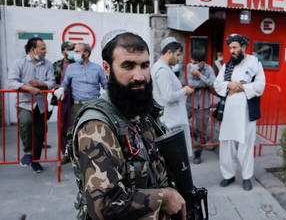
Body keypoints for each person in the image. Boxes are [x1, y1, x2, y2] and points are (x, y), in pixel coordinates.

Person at [71, 31, 186, 219]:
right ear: (106, 68)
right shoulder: (96, 125)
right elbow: (104, 204)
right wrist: (163, 198)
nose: (139, 76)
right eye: (128, 66)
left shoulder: (141, 110)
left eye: (144, 65)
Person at [214, 34, 265, 191]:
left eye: (235, 47)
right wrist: (230, 84)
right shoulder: (227, 65)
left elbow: (261, 85)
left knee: (246, 145)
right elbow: (217, 84)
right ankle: (228, 175)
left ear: (243, 47)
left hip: (246, 113)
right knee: (226, 143)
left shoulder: (254, 63)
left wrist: (242, 87)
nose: (232, 51)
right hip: (229, 112)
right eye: (230, 48)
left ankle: (246, 177)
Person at [7, 37, 55, 174]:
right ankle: (28, 151)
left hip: (41, 105)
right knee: (26, 122)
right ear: (33, 50)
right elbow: (11, 82)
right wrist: (28, 88)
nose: (46, 51)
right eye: (43, 48)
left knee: (39, 134)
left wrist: (41, 84)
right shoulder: (19, 63)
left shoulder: (48, 65)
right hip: (24, 103)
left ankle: (36, 161)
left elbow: (51, 82)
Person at [152, 37, 194, 157]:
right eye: (178, 54)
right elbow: (168, 96)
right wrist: (184, 90)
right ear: (169, 52)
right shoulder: (162, 71)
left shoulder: (162, 68)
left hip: (172, 120)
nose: (179, 58)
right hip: (172, 122)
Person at [53, 43, 107, 119]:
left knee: (92, 128)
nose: (74, 54)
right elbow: (65, 83)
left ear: (86, 53)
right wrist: (61, 89)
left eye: (77, 51)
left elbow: (105, 85)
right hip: (77, 106)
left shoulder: (97, 68)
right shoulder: (71, 67)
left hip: (94, 105)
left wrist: (111, 94)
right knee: (78, 129)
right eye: (74, 51)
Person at [186, 51, 216, 164]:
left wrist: (199, 75)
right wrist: (205, 84)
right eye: (191, 61)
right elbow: (190, 82)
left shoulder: (209, 69)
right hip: (190, 102)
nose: (192, 63)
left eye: (195, 62)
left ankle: (197, 154)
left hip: (204, 104)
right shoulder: (189, 66)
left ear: (201, 62)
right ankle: (187, 143)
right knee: (182, 123)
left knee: (201, 130)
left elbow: (213, 84)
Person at [52, 41, 75, 163]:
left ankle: (77, 153)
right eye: (68, 49)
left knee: (76, 127)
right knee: (63, 128)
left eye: (73, 49)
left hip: (76, 99)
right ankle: (65, 154)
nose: (71, 51)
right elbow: (52, 81)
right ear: (62, 51)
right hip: (63, 100)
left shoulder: (78, 63)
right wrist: (57, 88)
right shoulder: (57, 65)